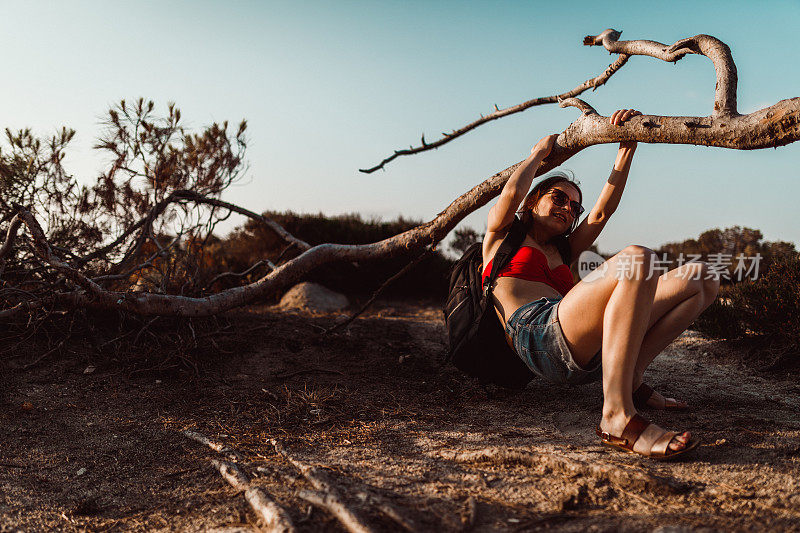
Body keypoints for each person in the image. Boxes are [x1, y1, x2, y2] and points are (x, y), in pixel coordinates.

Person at [481, 109, 720, 459]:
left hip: (580, 342)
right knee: (637, 258)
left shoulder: (564, 249)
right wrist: (536, 154)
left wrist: (626, 149)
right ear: (533, 202)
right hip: (536, 334)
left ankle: (632, 380)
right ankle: (616, 416)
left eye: (574, 207)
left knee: (702, 278)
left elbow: (600, 213)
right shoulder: (503, 237)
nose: (568, 208)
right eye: (558, 198)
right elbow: (510, 198)